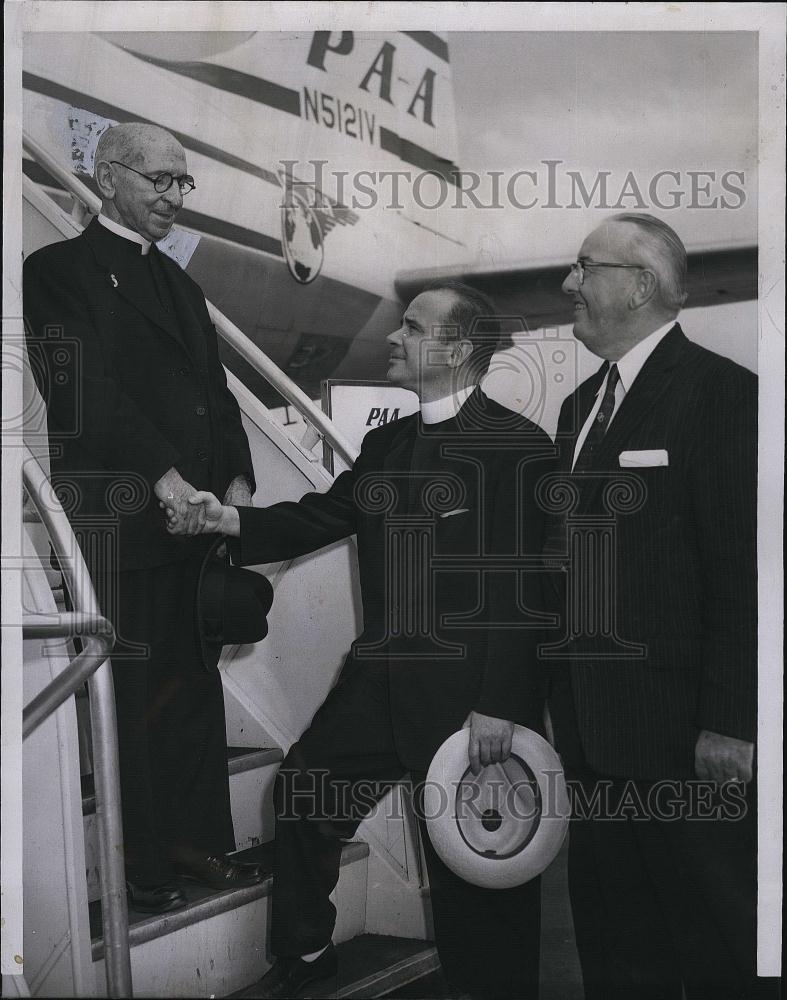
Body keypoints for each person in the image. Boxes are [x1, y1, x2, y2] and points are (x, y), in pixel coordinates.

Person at [169, 282, 556, 999]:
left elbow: (529, 591)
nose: (393, 338)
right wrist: (227, 521)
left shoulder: (517, 448)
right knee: (305, 791)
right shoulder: (387, 444)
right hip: (379, 678)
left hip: (470, 699)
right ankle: (306, 955)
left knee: (474, 865)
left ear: (456, 349)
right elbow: (323, 515)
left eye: (411, 328)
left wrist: (500, 701)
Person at [24, 122, 263, 914]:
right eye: (159, 180)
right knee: (129, 699)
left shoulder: (182, 286)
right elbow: (83, 392)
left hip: (195, 525)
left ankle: (199, 848)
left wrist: (233, 489)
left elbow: (219, 399)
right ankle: (143, 871)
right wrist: (165, 479)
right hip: (124, 522)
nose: (172, 198)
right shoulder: (56, 271)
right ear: (108, 176)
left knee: (191, 692)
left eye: (181, 183)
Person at [543, 213, 759, 999]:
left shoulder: (723, 395)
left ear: (637, 286)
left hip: (685, 740)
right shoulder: (574, 411)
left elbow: (744, 575)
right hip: (594, 740)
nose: (567, 283)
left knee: (720, 945)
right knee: (617, 945)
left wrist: (732, 722)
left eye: (582, 267)